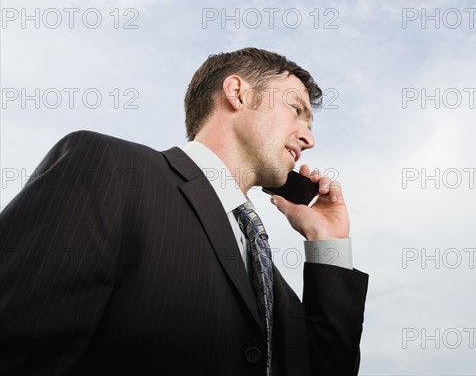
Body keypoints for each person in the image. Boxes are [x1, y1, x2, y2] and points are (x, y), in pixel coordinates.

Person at [0, 47, 368, 376]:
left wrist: (329, 243)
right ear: (238, 93)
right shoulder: (109, 169)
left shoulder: (270, 284)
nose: (309, 138)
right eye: (296, 110)